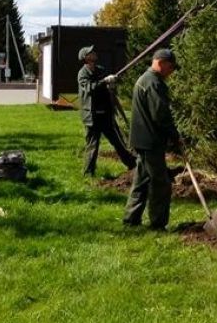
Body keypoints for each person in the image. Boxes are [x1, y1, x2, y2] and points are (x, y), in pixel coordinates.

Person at [123, 48, 183, 230]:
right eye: (171, 67)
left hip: (142, 140)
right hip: (151, 141)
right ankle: (157, 224)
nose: (171, 72)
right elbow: (160, 115)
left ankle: (131, 218)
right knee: (161, 184)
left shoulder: (145, 80)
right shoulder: (154, 83)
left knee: (141, 180)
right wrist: (175, 136)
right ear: (161, 62)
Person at [78, 45, 136, 176]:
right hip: (92, 117)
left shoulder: (100, 70)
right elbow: (89, 89)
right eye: (91, 52)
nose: (94, 53)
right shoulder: (83, 74)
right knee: (93, 145)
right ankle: (88, 173)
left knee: (117, 141)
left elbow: (106, 87)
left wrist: (112, 83)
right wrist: (104, 81)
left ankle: (132, 164)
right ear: (86, 58)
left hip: (105, 115)